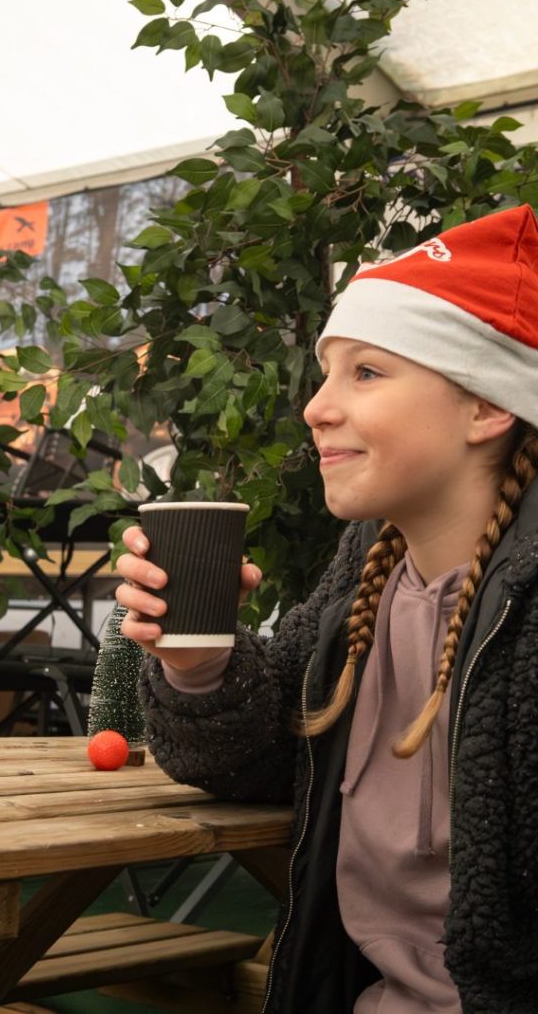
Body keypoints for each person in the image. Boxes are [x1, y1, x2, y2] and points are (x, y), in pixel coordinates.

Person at [116, 204, 538, 1013]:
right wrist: (200, 668)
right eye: (326, 373)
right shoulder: (365, 575)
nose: (316, 407)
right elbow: (270, 762)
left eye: (366, 372)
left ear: (488, 406)